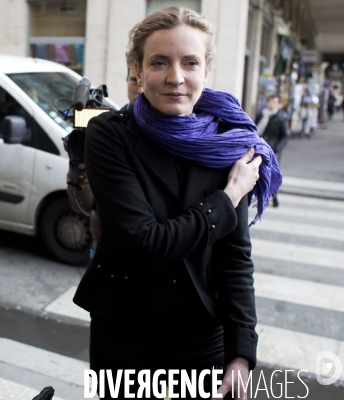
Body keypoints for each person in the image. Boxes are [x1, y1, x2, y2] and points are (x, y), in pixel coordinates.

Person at [73, 6, 281, 399]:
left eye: (190, 62)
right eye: (159, 62)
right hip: (125, 336)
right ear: (137, 69)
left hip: (203, 336)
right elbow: (146, 242)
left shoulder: (228, 139)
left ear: (206, 70)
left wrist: (240, 353)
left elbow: (234, 257)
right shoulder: (108, 134)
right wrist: (230, 195)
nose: (176, 77)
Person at [67, 61, 143, 257]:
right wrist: (80, 164)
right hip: (103, 252)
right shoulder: (111, 128)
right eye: (134, 79)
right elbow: (81, 205)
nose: (140, 87)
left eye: (144, 79)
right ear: (126, 82)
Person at [255, 94, 289, 207]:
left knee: (272, 174)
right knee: (259, 173)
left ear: (278, 105)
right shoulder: (262, 114)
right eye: (270, 102)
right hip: (260, 147)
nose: (271, 104)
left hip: (273, 150)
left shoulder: (281, 117)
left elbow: (285, 135)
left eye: (274, 102)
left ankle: (274, 196)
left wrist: (277, 148)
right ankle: (262, 196)